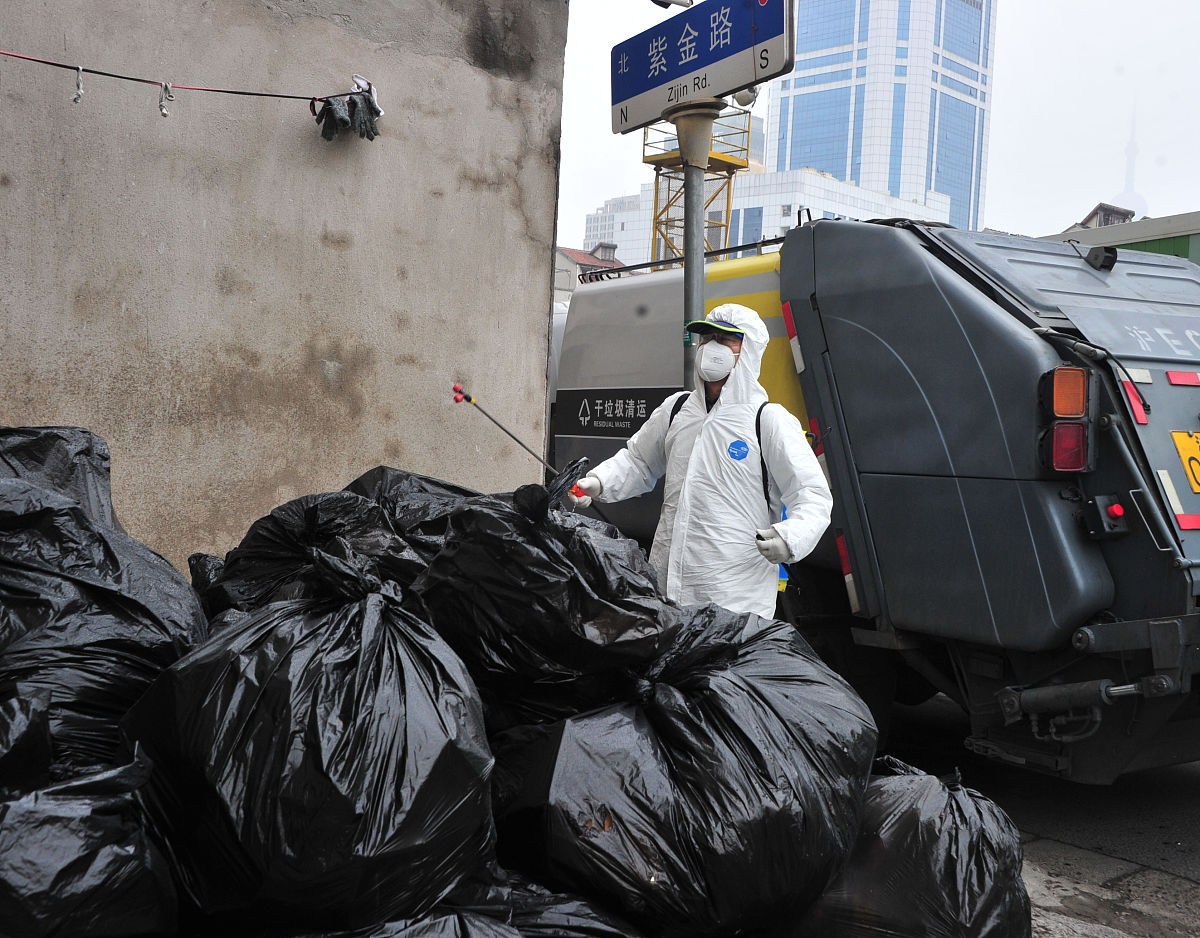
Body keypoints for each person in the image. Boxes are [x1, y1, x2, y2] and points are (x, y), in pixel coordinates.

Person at [566, 302, 832, 618]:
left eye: (726, 339)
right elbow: (639, 461)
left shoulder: (767, 420)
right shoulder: (678, 409)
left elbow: (812, 498)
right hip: (666, 592)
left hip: (735, 603)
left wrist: (789, 539)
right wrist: (598, 482)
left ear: (749, 350)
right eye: (706, 337)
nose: (712, 347)